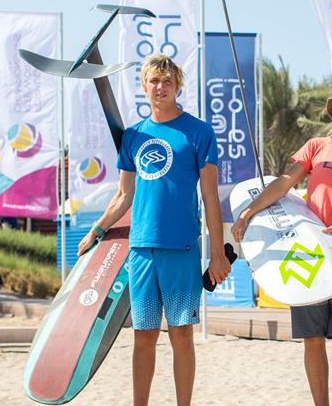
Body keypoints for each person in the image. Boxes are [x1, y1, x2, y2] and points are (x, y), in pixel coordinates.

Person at [77, 53, 230, 406]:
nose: (160, 87)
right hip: (142, 249)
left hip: (182, 249)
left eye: (167, 81)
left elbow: (210, 197)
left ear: (177, 86)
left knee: (181, 334)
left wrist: (218, 251)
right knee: (143, 336)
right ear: (144, 86)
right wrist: (97, 231)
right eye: (153, 81)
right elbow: (123, 196)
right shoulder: (133, 136)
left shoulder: (199, 132)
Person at [232, 83, 332, 406]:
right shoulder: (316, 147)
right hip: (306, 256)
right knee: (312, 340)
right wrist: (249, 212)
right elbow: (284, 184)